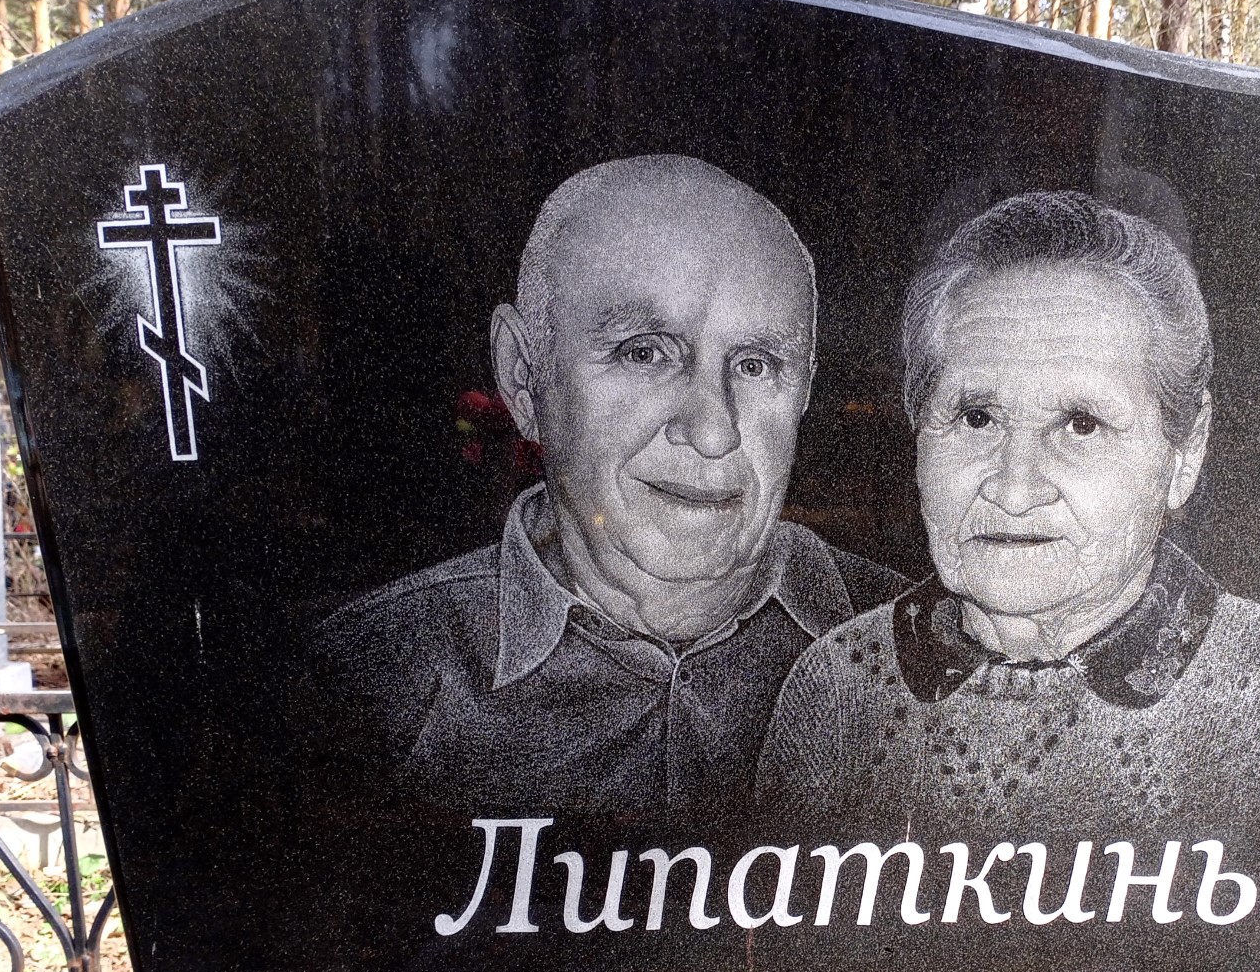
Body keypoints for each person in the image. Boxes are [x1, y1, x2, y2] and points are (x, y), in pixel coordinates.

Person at [316, 156, 900, 816]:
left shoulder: (946, 657)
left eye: (757, 365)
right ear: (523, 375)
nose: (714, 432)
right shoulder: (369, 683)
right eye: (644, 352)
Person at [757, 191, 1260, 834]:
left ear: (1185, 451)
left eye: (1081, 424)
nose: (1014, 492)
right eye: (976, 418)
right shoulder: (838, 687)